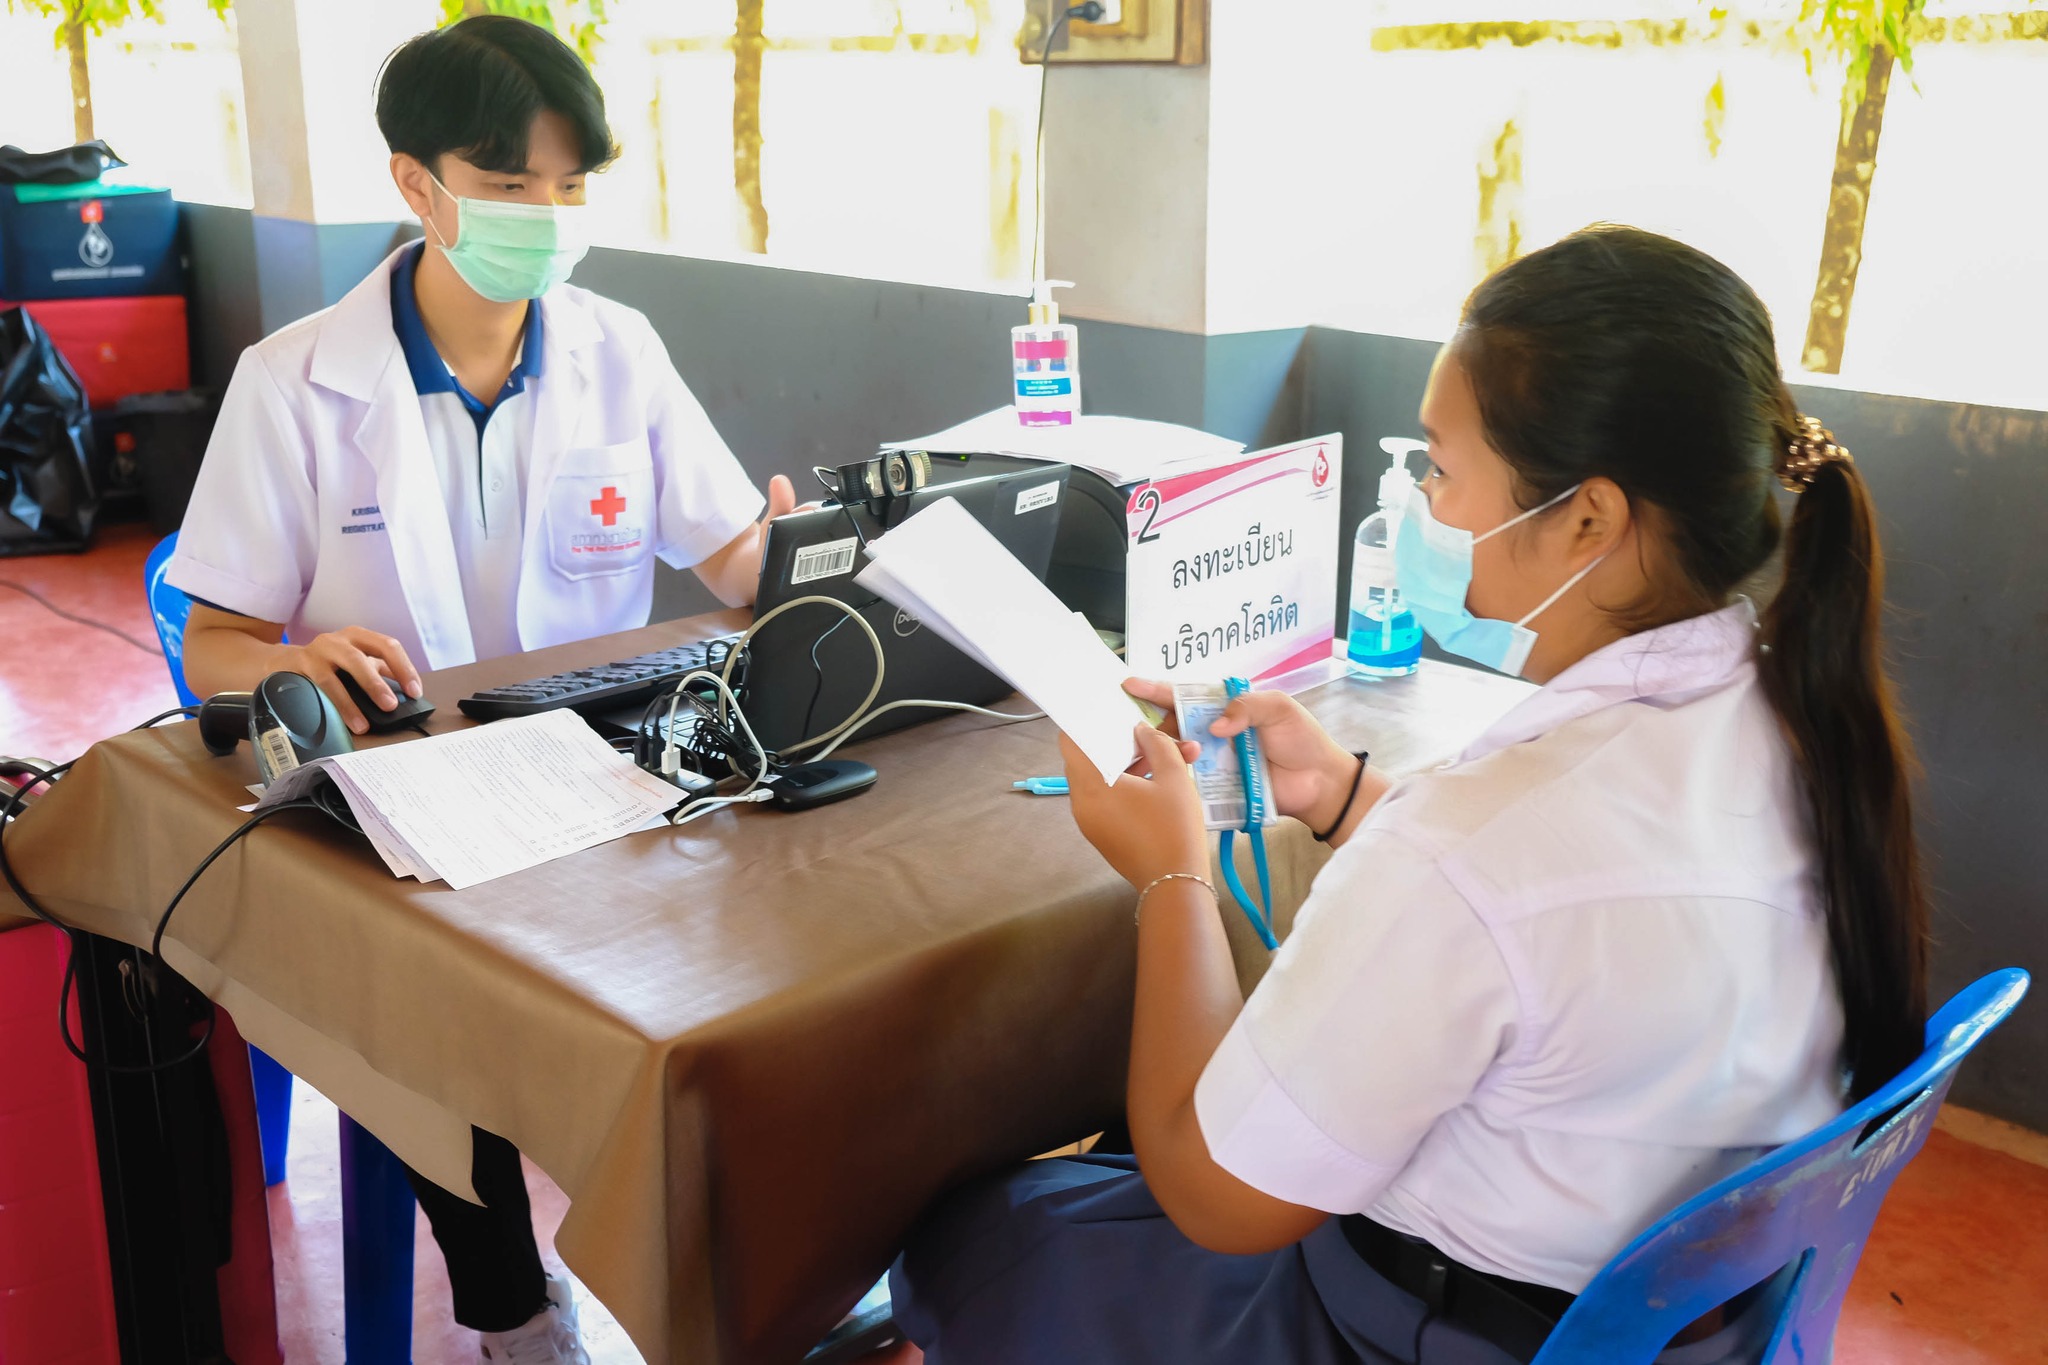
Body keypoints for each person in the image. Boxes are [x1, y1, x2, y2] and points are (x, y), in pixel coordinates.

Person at [887, 226, 1930, 1364]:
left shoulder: (1475, 842)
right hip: (1667, 1323)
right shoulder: (1794, 723)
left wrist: (1172, 874)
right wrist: (1341, 795)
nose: (1422, 505)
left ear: (1587, 518)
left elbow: (1215, 1201)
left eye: (1440, 469)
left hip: (1406, 1331)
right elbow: (1561, 926)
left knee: (975, 1238)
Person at [167, 17, 794, 1363]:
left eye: (572, 188)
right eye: (512, 186)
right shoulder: (293, 387)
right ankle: (516, 1316)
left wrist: (795, 554)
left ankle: (750, 1285)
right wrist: (288, 655)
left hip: (606, 778)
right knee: (425, 1012)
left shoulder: (620, 350)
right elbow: (213, 641)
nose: (549, 219)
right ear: (419, 185)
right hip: (408, 805)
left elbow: (737, 556)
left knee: (782, 946)